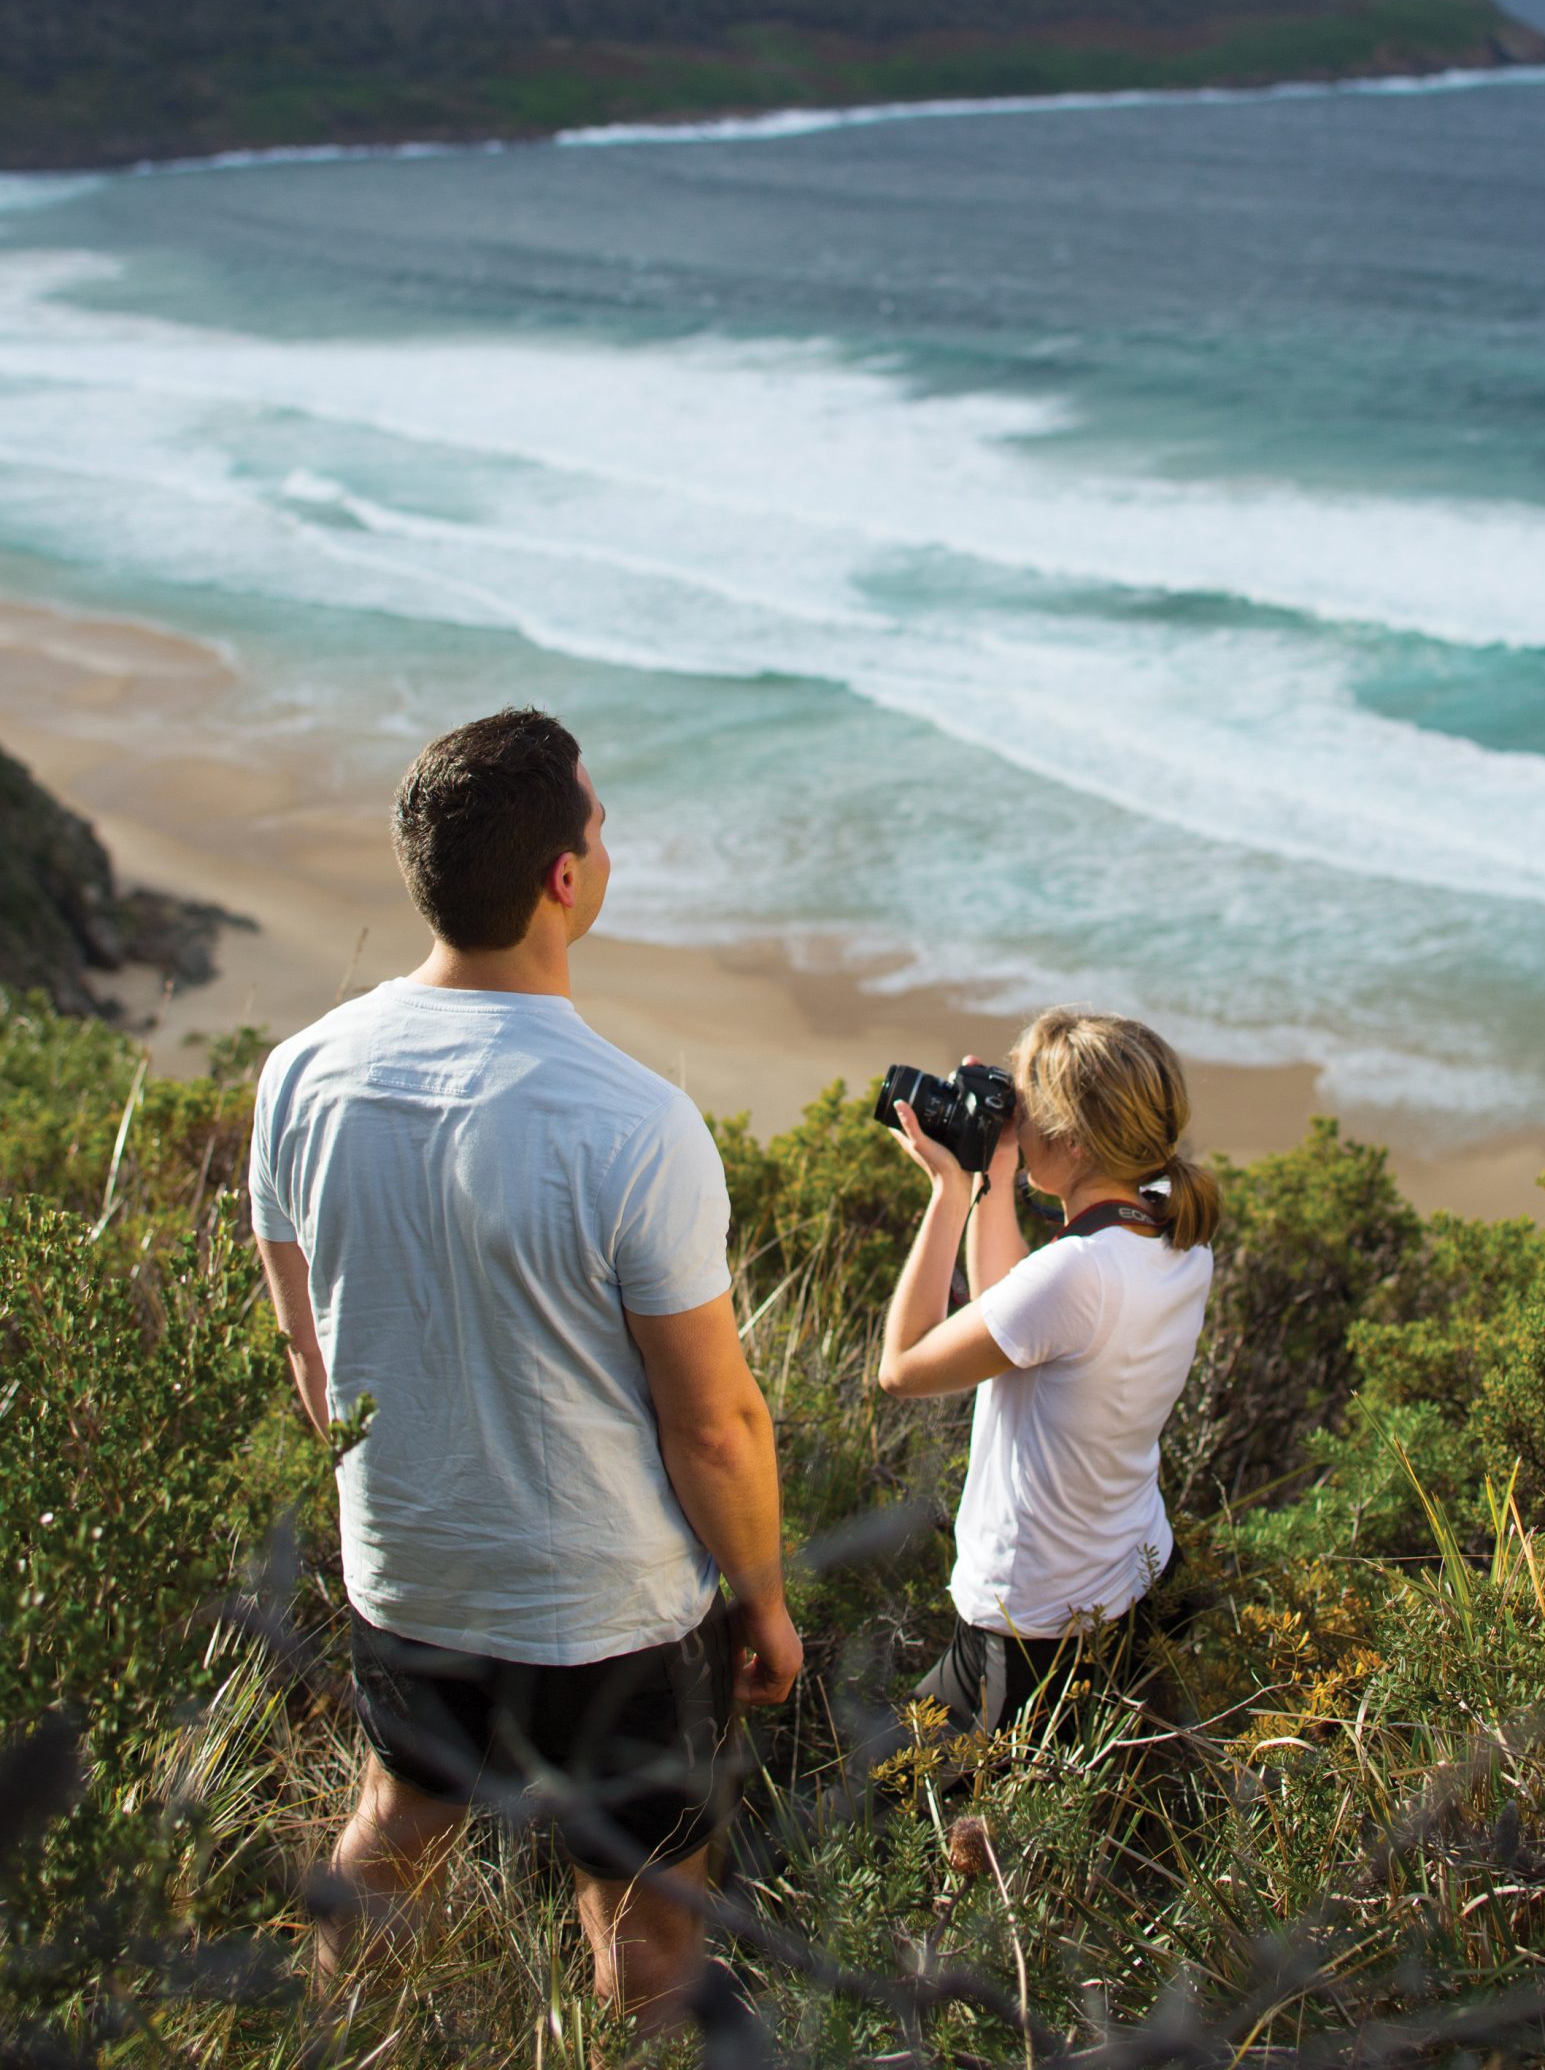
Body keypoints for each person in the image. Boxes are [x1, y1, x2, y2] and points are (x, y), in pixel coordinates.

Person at [250, 706, 801, 2035]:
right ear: (565, 878)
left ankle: (342, 2047)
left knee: (396, 1823)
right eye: (597, 823)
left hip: (408, 1564)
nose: (604, 841)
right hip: (603, 1603)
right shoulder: (630, 1123)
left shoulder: (300, 1075)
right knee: (643, 1915)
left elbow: (306, 1351)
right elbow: (715, 1427)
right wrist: (764, 1602)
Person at [878, 1008, 1217, 1735]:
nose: (1012, 1118)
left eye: (1022, 1105)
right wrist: (994, 1176)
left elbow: (902, 1369)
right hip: (1127, 1575)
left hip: (1031, 1625)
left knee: (894, 1815)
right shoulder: (1169, 1232)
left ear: (1070, 1140)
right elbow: (1016, 1311)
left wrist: (947, 1195)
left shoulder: (1076, 1273)